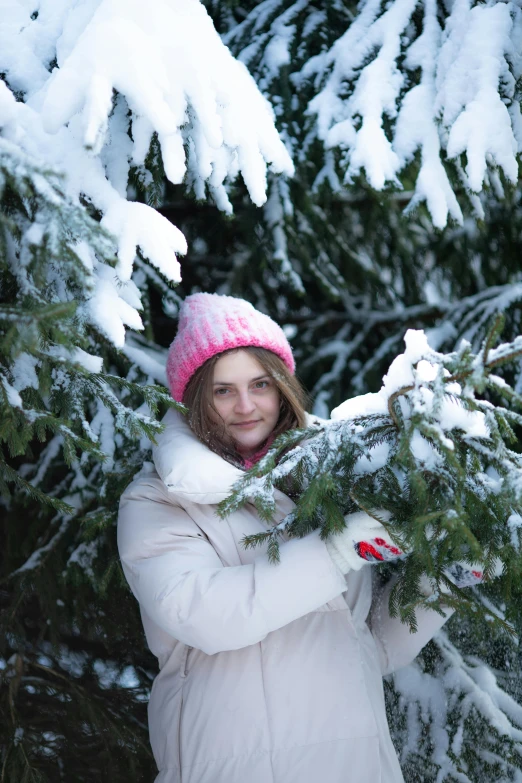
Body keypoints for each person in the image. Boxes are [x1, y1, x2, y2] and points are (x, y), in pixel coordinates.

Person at [117, 293, 454, 783]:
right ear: (195, 400)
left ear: (283, 387)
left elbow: (369, 646)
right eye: (223, 391)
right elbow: (207, 615)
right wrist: (336, 553)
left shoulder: (334, 479)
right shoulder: (157, 501)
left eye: (260, 384)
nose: (247, 405)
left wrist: (441, 581)